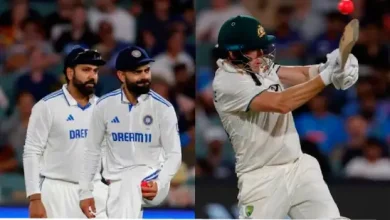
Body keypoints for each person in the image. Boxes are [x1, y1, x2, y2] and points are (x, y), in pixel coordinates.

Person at [212, 15, 359, 219]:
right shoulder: (227, 83)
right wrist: (326, 78)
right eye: (254, 49)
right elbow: (281, 103)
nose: (261, 54)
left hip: (298, 166)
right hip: (261, 177)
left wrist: (330, 67)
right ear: (233, 53)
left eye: (262, 48)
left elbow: (300, 74)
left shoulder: (258, 64)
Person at [79, 46, 182, 218]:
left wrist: (160, 182)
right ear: (121, 75)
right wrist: (85, 192)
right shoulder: (104, 106)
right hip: (115, 183)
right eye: (137, 72)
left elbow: (174, 154)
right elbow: (91, 150)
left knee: (130, 180)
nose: (144, 77)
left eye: (146, 71)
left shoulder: (163, 108)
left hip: (154, 178)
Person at [23, 48, 108, 218]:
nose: (92, 75)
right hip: (56, 193)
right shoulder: (46, 106)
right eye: (86, 70)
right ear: (70, 73)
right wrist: (34, 198)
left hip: (95, 189)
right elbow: (32, 152)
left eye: (95, 71)